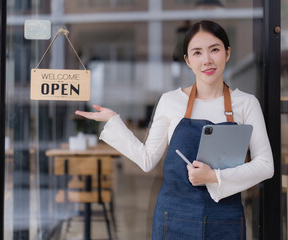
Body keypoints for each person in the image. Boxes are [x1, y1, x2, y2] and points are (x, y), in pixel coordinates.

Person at [75, 20, 274, 240]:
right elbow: (147, 159)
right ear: (188, 61)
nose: (207, 60)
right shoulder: (170, 101)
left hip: (225, 218)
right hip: (174, 218)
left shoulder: (246, 103)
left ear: (227, 53)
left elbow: (266, 166)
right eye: (197, 53)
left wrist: (214, 176)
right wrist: (113, 121)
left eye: (214, 50)